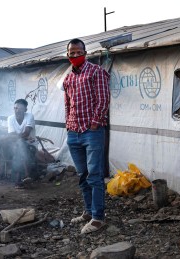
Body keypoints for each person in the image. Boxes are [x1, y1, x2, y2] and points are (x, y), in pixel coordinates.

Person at [63, 38, 110, 234]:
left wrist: (95, 122)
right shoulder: (68, 78)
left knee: (95, 175)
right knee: (82, 175)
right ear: (68, 55)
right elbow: (67, 104)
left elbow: (103, 99)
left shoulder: (96, 71)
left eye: (78, 52)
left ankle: (98, 218)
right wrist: (68, 124)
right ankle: (89, 212)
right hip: (73, 133)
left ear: (85, 52)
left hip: (92, 132)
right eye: (71, 52)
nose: (75, 55)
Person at [5, 98, 38, 188]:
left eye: (20, 108)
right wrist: (24, 137)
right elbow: (13, 135)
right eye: (15, 108)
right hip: (16, 145)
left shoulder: (29, 116)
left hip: (31, 145)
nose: (17, 110)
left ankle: (18, 180)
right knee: (20, 145)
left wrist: (22, 137)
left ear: (25, 110)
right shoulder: (10, 118)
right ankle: (26, 176)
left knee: (20, 145)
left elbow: (26, 133)